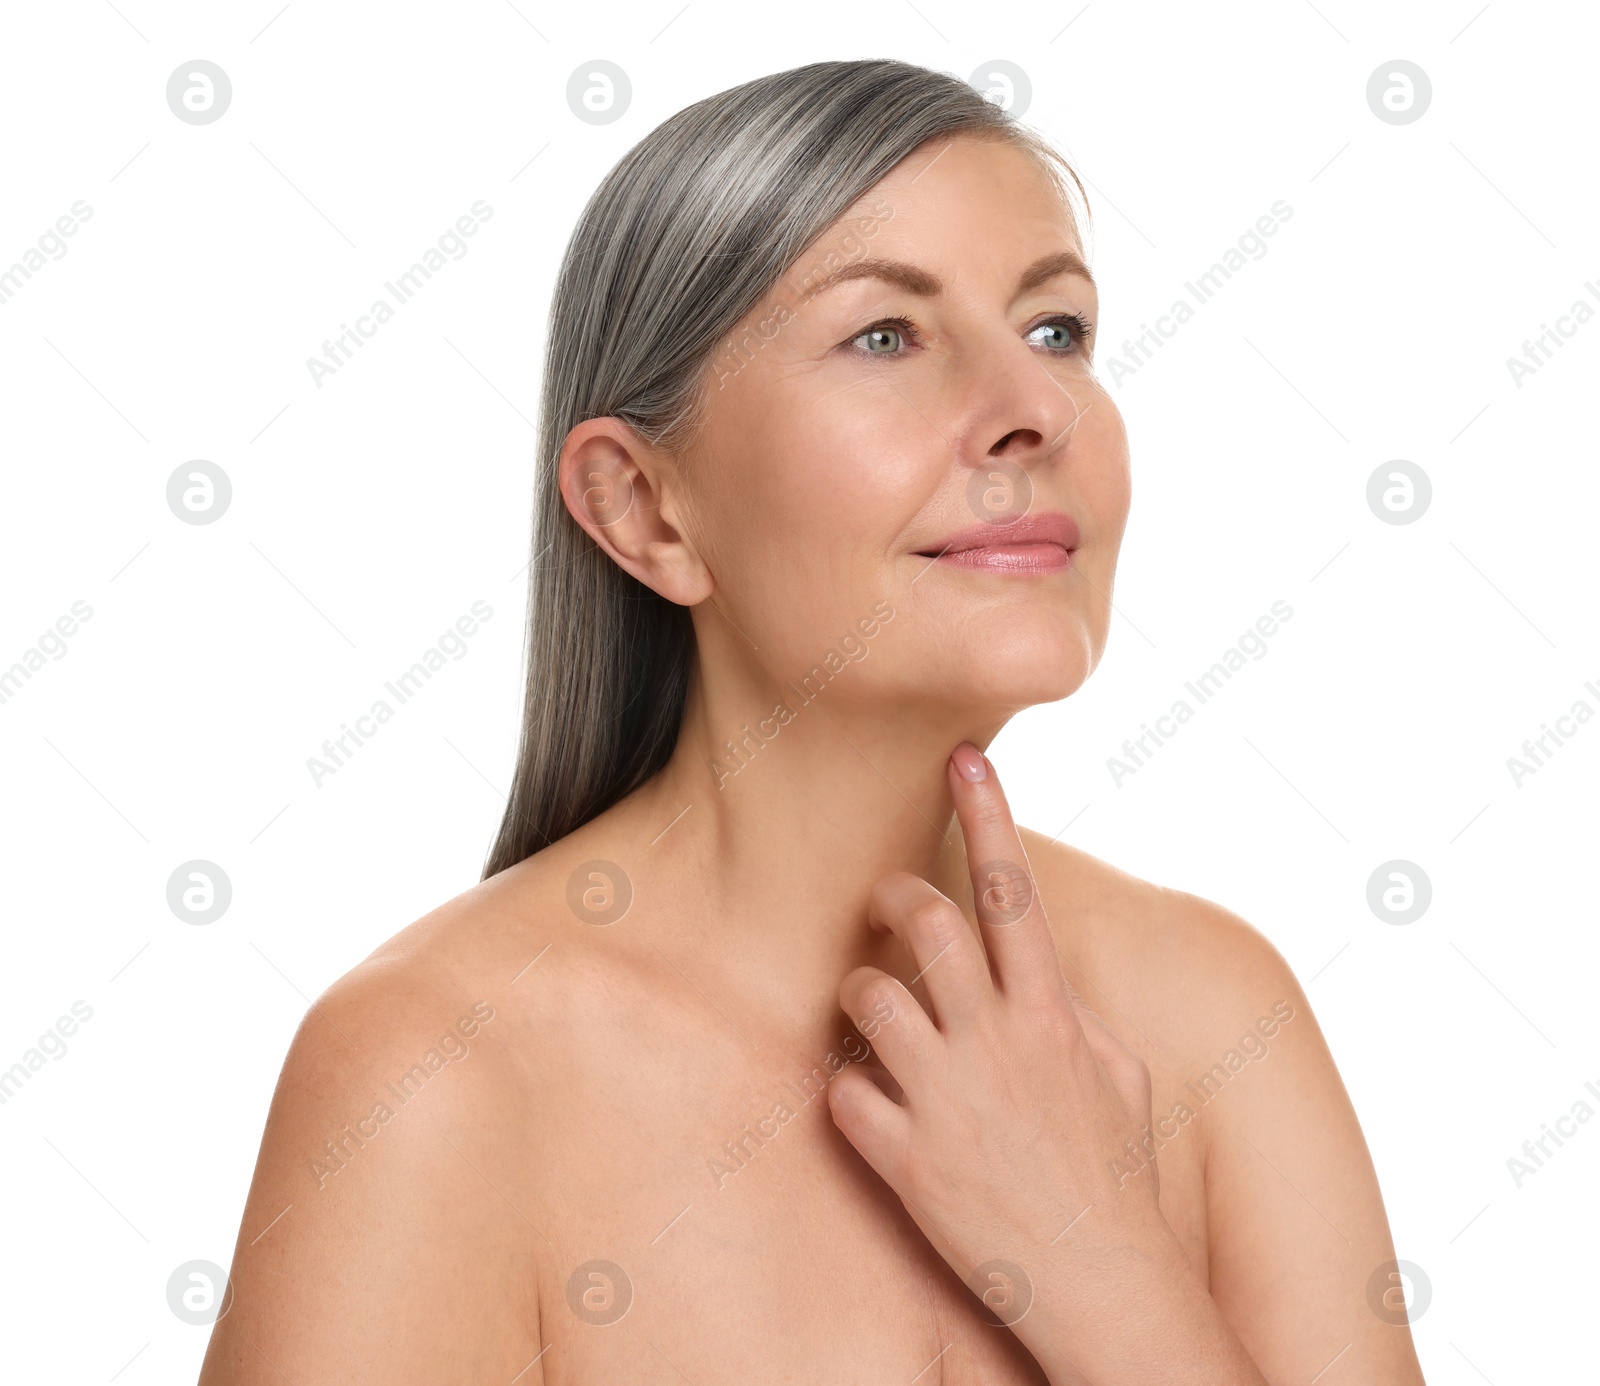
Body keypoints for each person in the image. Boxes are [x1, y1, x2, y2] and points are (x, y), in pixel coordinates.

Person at [199, 58, 1426, 1384]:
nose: (1035, 407)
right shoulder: (434, 1081)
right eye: (886, 336)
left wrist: (1101, 1274)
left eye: (1057, 328)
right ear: (644, 510)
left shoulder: (1217, 1010)